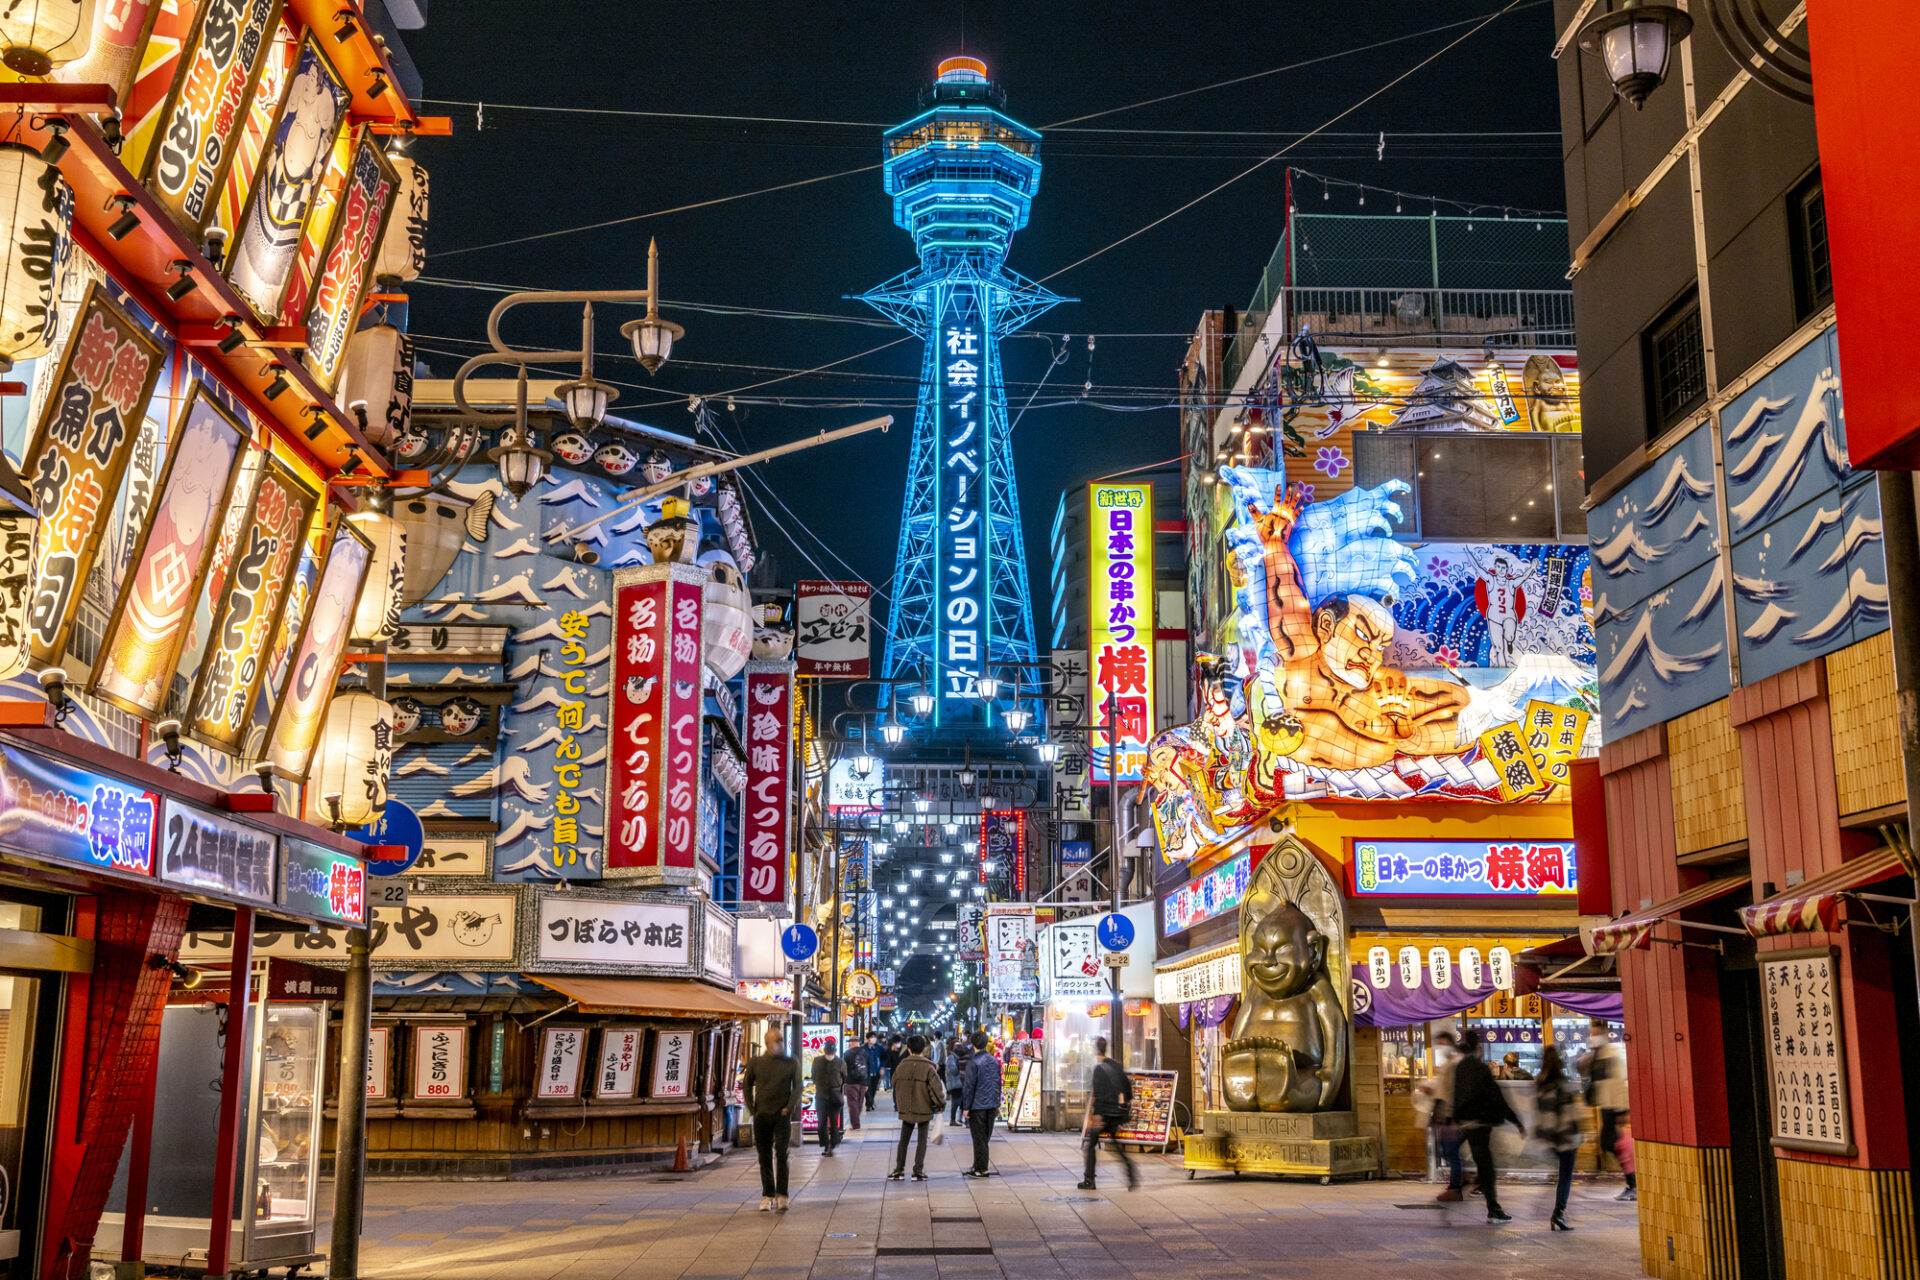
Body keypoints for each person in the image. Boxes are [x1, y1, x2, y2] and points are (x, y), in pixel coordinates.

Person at [1450, 1029, 1524, 1224]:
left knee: (1480, 1161)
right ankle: (1493, 1208)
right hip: (1480, 1122)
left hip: (1466, 1122)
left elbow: (1456, 1095)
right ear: (1478, 1048)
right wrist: (1515, 1120)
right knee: (1486, 1165)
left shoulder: (1460, 1068)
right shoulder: (1480, 1069)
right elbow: (1496, 1097)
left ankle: (1468, 1185)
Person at [742, 1027, 800, 1211]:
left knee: (782, 1154)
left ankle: (782, 1194)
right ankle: (767, 1194)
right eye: (778, 1040)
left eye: (782, 1039)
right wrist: (752, 1109)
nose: (781, 1043)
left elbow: (798, 1086)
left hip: (781, 1116)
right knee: (764, 1156)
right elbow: (746, 1084)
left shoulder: (791, 1062)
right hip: (762, 1115)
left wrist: (788, 1108)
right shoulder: (756, 1062)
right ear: (768, 1043)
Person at [1581, 1023, 1635, 1201]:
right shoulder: (1598, 1056)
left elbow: (1620, 1081)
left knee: (1614, 1144)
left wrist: (1623, 1110)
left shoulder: (1612, 1055)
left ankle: (1633, 1182)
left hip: (1616, 1106)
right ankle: (1632, 1180)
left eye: (1595, 1034)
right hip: (1607, 1105)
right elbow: (1582, 1069)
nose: (1592, 1037)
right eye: (1591, 1034)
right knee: (1608, 1144)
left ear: (1604, 1035)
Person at [1079, 1036, 1137, 1192]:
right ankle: (1130, 1171)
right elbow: (1127, 1089)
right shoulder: (1117, 1066)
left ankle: (1089, 1180)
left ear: (1096, 1050)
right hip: (1116, 1113)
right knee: (1115, 1143)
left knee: (1090, 1145)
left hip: (1103, 1113)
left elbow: (1097, 1094)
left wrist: (1095, 1115)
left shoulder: (1098, 1070)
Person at [1534, 1046, 1582, 1231]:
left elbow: (1541, 1112)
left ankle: (1558, 1214)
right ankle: (1558, 1214)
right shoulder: (1562, 1083)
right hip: (1565, 1136)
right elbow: (1568, 1113)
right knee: (1565, 1177)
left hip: (1549, 1136)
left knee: (1562, 1175)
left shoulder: (1541, 1083)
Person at [888, 1035, 946, 1182]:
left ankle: (898, 1170)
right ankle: (918, 1171)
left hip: (906, 1108)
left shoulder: (901, 1066)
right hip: (924, 1107)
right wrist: (940, 1105)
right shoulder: (928, 1067)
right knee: (922, 1140)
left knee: (904, 1140)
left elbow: (894, 1083)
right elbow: (936, 1089)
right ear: (924, 1049)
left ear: (908, 1049)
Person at [1419, 1030, 1466, 1202]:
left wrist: (1441, 1111)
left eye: (1443, 1043)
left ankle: (1456, 1187)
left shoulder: (1453, 1065)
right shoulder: (1449, 1065)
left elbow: (1448, 1091)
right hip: (1447, 1113)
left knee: (1450, 1152)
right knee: (1447, 1151)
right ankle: (1460, 1178)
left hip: (1450, 1115)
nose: (1440, 1046)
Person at [960, 1031, 1002, 1178]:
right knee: (985, 1137)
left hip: (977, 1105)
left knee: (979, 1138)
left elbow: (969, 1086)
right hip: (991, 1104)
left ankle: (981, 1168)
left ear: (972, 1044)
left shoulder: (974, 1062)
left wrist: (966, 1107)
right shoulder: (995, 1061)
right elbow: (998, 1083)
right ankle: (978, 1165)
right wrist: (997, 1103)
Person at [811, 1036, 846, 1155]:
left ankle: (832, 1144)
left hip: (834, 1095)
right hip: (822, 1095)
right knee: (822, 1123)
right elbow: (813, 1077)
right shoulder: (817, 1061)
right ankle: (826, 1144)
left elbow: (844, 1078)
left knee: (832, 1122)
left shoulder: (840, 1062)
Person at [842, 1038, 868, 1130]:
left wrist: (844, 1081)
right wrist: (867, 1083)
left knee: (852, 1103)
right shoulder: (865, 1052)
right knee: (859, 1103)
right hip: (863, 1082)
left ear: (852, 1043)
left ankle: (855, 1125)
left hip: (851, 1082)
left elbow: (844, 1069)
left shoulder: (847, 1054)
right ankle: (856, 1121)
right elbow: (868, 1067)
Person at [945, 1037, 972, 1126]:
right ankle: (953, 1120)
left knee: (960, 1102)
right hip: (955, 1083)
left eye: (959, 1046)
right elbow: (953, 1070)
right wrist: (960, 1066)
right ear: (952, 1047)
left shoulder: (958, 1056)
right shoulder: (951, 1057)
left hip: (959, 1082)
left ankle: (959, 1119)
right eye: (956, 1046)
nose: (958, 1048)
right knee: (955, 1102)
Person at [864, 1033, 885, 1111]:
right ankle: (869, 1104)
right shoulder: (864, 1048)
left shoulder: (879, 1048)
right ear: (868, 1039)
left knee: (873, 1088)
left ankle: (871, 1103)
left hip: (876, 1071)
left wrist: (882, 1067)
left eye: (874, 1037)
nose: (874, 1039)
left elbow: (883, 1058)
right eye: (872, 1037)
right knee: (867, 1089)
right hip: (866, 1072)